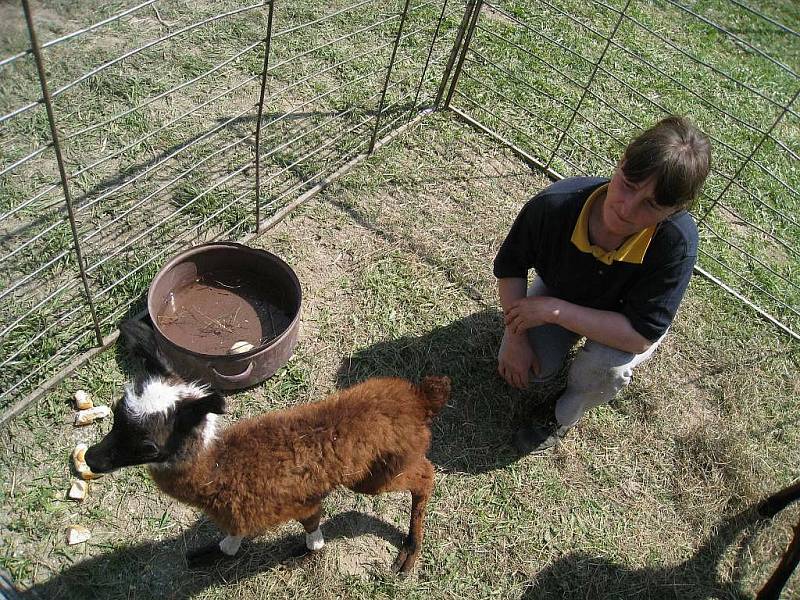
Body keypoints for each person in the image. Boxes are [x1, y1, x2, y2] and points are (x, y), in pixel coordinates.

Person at [494, 115, 711, 454]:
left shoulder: (676, 244)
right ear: (621, 162)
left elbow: (638, 337)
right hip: (562, 289)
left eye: (651, 205)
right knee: (533, 369)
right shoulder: (555, 205)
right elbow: (510, 267)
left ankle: (562, 414)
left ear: (675, 209)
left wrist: (555, 311)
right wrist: (514, 337)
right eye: (627, 183)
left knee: (606, 370)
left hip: (624, 321)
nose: (626, 208)